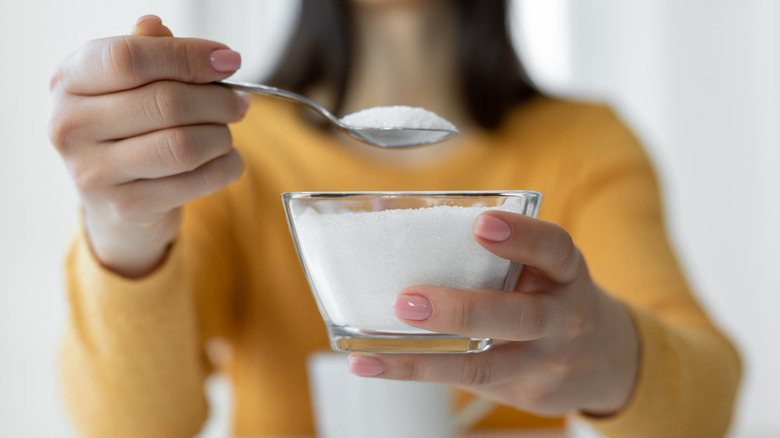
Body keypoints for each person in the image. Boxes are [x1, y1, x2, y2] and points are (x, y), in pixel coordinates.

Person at [48, 1, 741, 437]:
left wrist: (615, 360)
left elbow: (708, 404)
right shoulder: (227, 152)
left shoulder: (586, 144)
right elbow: (131, 429)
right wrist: (123, 231)